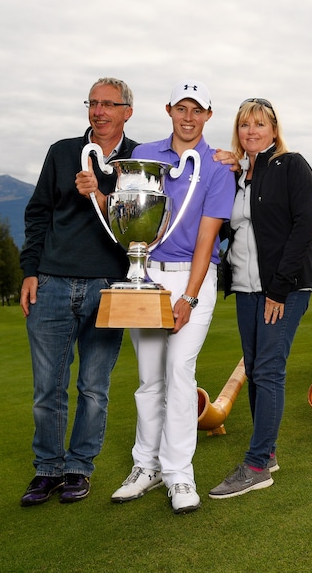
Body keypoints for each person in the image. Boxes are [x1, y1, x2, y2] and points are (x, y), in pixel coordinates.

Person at [100, 81, 236, 514]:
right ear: (169, 110)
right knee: (149, 376)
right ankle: (146, 466)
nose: (189, 117)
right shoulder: (145, 157)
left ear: (209, 115)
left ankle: (179, 473)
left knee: (179, 371)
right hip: (147, 276)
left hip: (193, 280)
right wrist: (97, 195)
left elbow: (206, 239)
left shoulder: (217, 167)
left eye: (198, 110)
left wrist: (189, 298)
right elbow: (127, 216)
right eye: (182, 108)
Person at [19, 78, 138, 506]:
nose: (99, 111)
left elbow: (142, 228)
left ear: (128, 110)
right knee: (47, 388)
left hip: (110, 286)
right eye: (93, 103)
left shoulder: (140, 159)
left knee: (93, 387)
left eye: (109, 104)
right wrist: (30, 270)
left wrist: (104, 195)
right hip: (51, 281)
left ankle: (78, 468)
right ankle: (47, 469)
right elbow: (38, 213)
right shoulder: (61, 151)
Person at [208, 98, 312, 500]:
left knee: (269, 370)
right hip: (245, 288)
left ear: (274, 129)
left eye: (259, 124)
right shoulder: (240, 175)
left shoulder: (292, 165)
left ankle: (255, 466)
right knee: (254, 370)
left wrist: (278, 288)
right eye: (243, 125)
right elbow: (231, 229)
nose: (251, 131)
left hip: (282, 288)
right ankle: (266, 453)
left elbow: (303, 227)